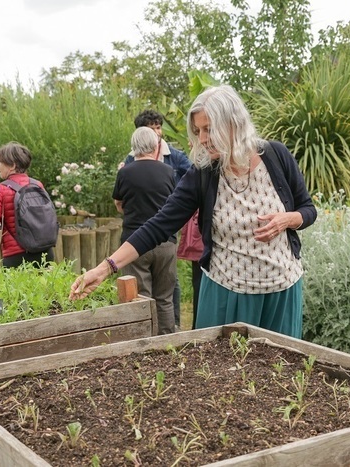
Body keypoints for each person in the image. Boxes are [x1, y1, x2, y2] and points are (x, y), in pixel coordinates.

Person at [70, 84, 317, 338]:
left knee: (281, 372)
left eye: (208, 129)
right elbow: (158, 225)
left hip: (282, 292)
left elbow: (308, 210)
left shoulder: (275, 155)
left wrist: (288, 219)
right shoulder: (204, 172)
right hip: (227, 294)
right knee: (221, 374)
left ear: (234, 123)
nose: (201, 138)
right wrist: (104, 268)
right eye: (198, 130)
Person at [122, 109, 192, 330]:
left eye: (158, 127)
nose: (157, 133)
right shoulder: (131, 160)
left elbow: (191, 181)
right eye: (152, 129)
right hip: (144, 233)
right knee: (152, 292)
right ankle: (154, 333)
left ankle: (172, 330)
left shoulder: (176, 157)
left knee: (169, 288)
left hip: (165, 229)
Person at [114, 127, 177, 334]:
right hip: (165, 242)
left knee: (139, 297)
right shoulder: (168, 171)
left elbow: (118, 203)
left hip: (134, 243)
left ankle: (144, 341)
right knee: (165, 298)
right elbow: (175, 203)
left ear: (134, 148)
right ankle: (168, 342)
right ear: (155, 146)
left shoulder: (124, 172)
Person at [0, 142, 55, 268]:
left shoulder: (0, 189)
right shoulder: (37, 185)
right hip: (45, 253)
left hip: (16, 257)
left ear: (12, 165)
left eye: (0, 162)